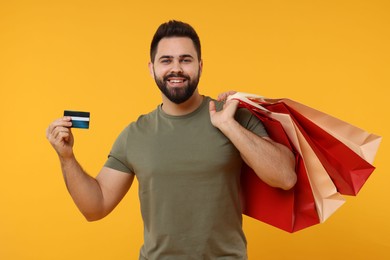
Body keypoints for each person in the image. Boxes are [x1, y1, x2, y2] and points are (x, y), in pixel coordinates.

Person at [46, 20, 297, 260]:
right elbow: (95, 207)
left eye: (185, 60)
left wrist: (229, 126)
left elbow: (285, 177)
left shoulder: (233, 115)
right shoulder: (134, 134)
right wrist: (66, 157)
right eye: (166, 60)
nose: (176, 68)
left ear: (200, 65)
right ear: (152, 67)